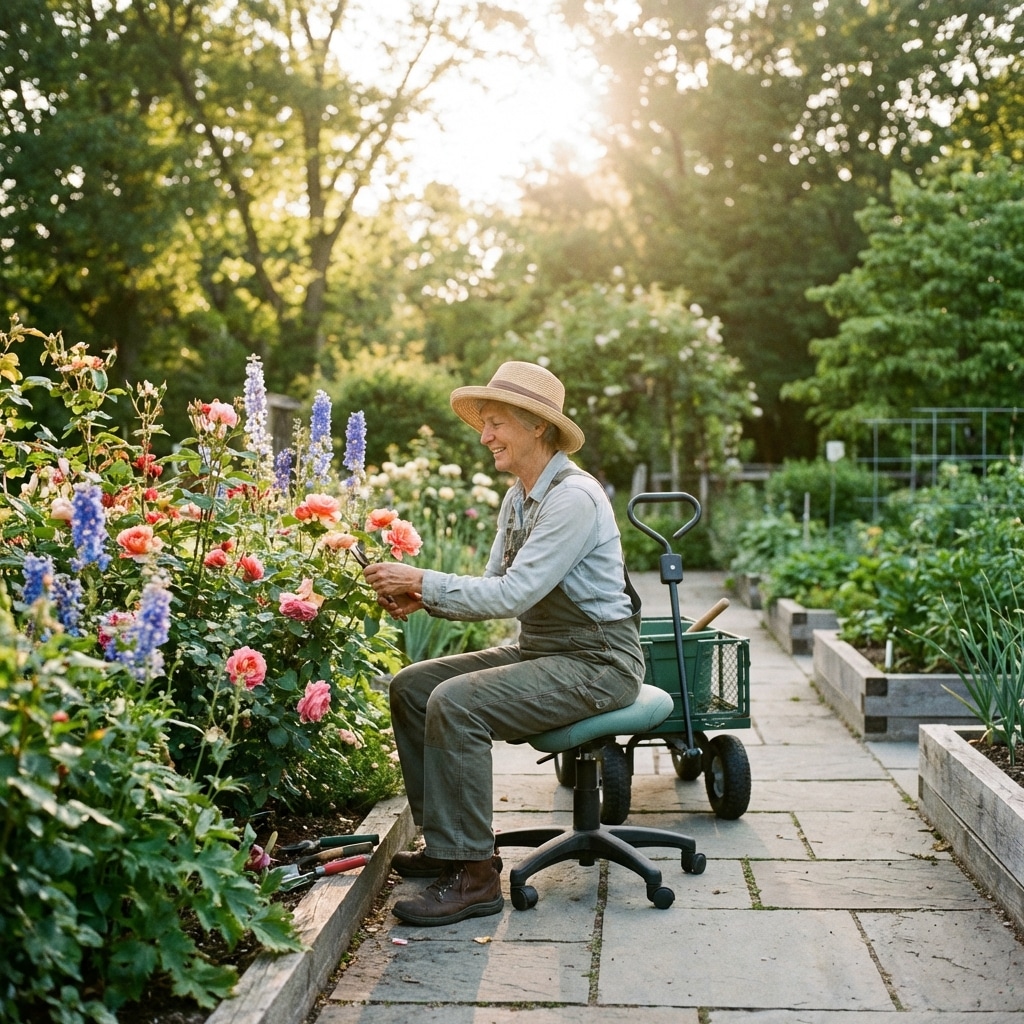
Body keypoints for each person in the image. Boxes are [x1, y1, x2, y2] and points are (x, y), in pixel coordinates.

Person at [362, 361, 644, 927]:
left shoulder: (574, 499)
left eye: (495, 424)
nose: (484, 436)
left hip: (599, 661)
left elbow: (513, 593)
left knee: (457, 702)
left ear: (537, 427)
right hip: (545, 650)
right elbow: (495, 586)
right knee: (414, 687)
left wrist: (419, 579)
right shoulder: (518, 498)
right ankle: (448, 845)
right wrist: (424, 598)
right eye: (484, 424)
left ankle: (475, 877)